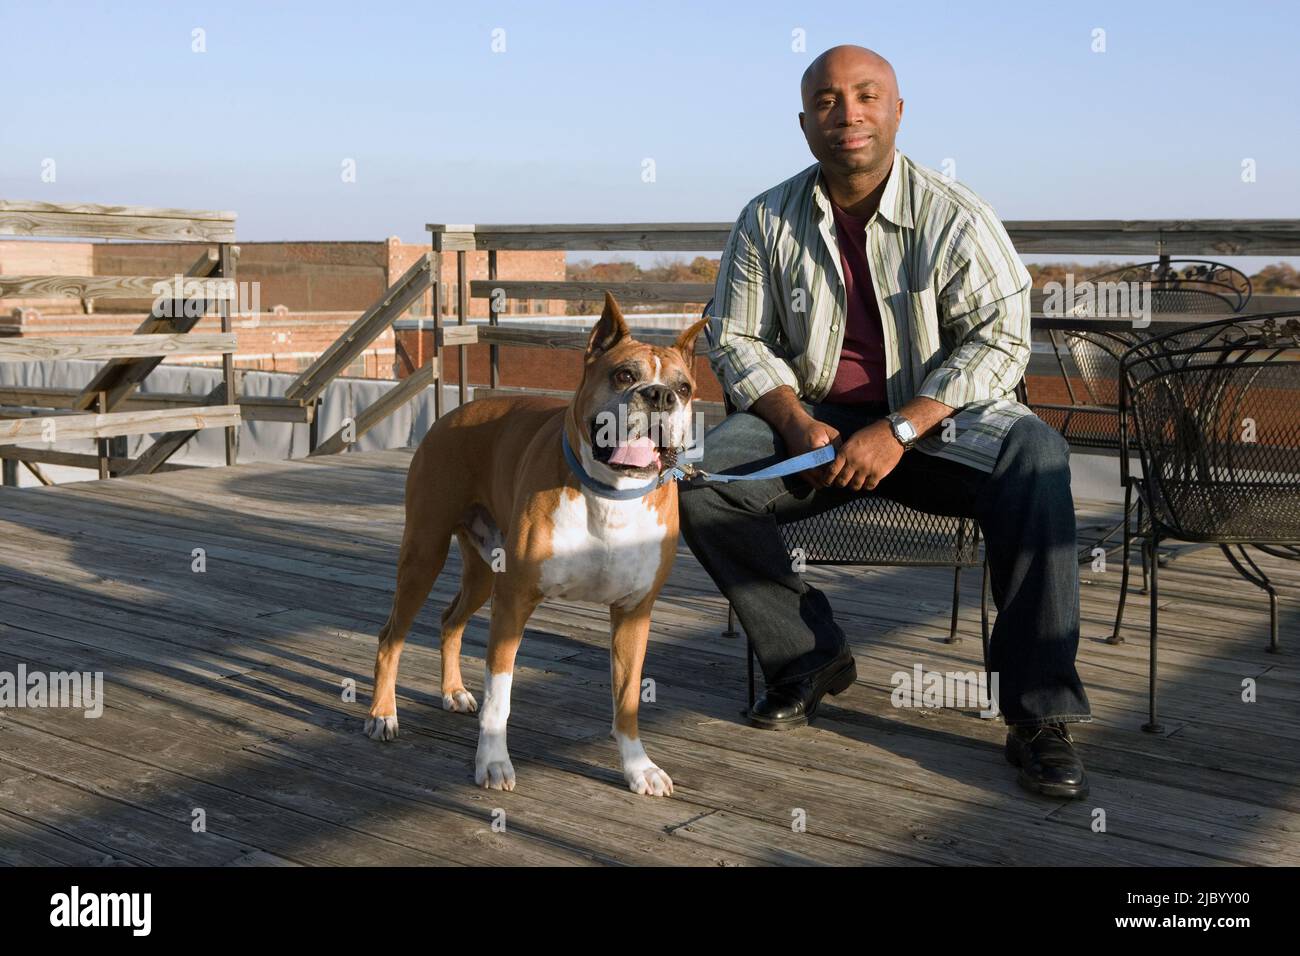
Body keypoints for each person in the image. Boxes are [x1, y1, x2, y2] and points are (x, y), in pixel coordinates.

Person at [679, 44, 1092, 799]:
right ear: (804, 122)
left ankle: (1038, 715)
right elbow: (734, 337)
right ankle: (809, 655)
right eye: (828, 101)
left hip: (939, 420)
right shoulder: (766, 218)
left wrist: (902, 428)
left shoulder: (958, 216)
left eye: (867, 96)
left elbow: (1001, 338)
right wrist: (796, 422)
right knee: (702, 485)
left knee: (1035, 458)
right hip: (814, 422)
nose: (849, 114)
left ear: (898, 111)